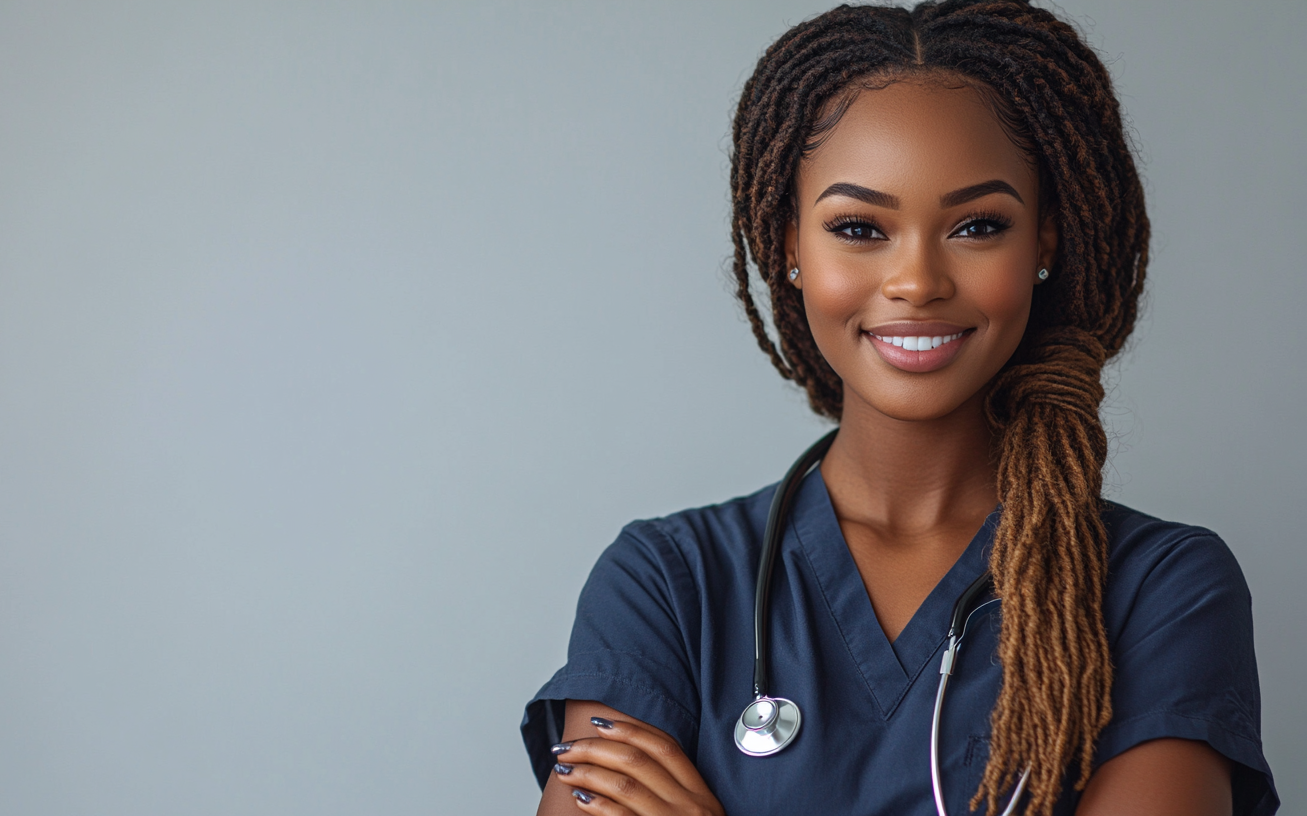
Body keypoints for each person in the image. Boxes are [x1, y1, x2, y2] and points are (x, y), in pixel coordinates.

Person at [520, 2, 1278, 815]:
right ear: (786, 245)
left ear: (1046, 242)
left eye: (978, 225)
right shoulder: (666, 587)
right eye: (858, 227)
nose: (917, 281)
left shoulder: (1160, 592)